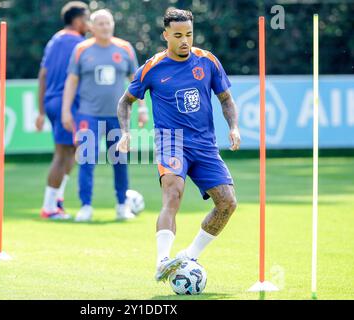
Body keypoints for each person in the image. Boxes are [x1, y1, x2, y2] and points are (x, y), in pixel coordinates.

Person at [116, 8, 241, 282]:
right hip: (171, 141)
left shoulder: (207, 61)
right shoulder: (152, 67)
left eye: (189, 34)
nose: (185, 40)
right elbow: (125, 101)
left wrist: (233, 127)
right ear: (165, 35)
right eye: (178, 35)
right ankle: (162, 261)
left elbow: (226, 100)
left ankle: (189, 256)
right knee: (173, 193)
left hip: (205, 146)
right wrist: (125, 133)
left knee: (228, 203)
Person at [62, 9, 148, 222]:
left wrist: (143, 108)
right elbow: (71, 81)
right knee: (87, 160)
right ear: (91, 26)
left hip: (119, 116)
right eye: (100, 23)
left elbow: (136, 81)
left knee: (120, 160)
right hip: (87, 115)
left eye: (108, 22)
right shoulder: (81, 49)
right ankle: (86, 207)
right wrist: (66, 110)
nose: (105, 27)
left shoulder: (125, 48)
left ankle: (121, 205)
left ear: (113, 24)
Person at [36, 1, 90, 220]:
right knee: (62, 154)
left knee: (70, 152)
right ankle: (49, 207)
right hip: (66, 103)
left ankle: (56, 200)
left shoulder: (55, 40)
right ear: (77, 21)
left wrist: (40, 111)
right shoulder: (79, 44)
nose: (89, 23)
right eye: (87, 18)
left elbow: (42, 75)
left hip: (52, 101)